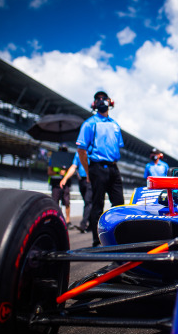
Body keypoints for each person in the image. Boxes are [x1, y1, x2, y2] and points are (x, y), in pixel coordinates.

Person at [76, 91, 125, 247]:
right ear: (94, 104)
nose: (101, 100)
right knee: (97, 205)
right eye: (98, 99)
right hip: (97, 167)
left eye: (104, 98)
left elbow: (118, 146)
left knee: (119, 203)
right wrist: (88, 171)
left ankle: (118, 237)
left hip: (113, 168)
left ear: (110, 102)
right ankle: (97, 241)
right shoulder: (89, 123)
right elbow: (81, 149)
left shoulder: (115, 124)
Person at [60, 151, 92, 233]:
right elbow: (73, 167)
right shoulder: (78, 153)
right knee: (87, 202)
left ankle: (83, 224)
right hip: (82, 181)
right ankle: (91, 223)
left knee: (88, 202)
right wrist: (65, 178)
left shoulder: (93, 151)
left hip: (91, 180)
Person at [47, 145, 71, 224]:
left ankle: (67, 220)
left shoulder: (68, 160)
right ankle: (55, 218)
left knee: (66, 201)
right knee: (55, 201)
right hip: (55, 182)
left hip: (65, 182)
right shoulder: (53, 159)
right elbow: (49, 172)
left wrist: (65, 171)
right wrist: (58, 172)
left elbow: (71, 170)